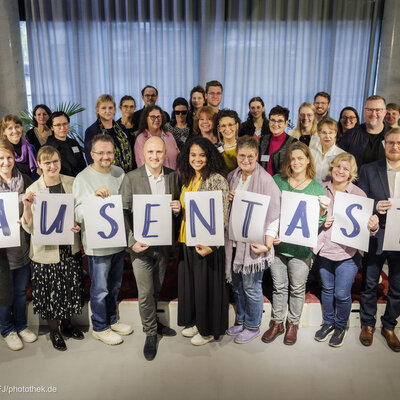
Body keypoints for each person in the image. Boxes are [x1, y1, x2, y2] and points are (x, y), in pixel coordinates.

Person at [120, 136, 180, 360]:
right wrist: (131, 241)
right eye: (150, 152)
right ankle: (151, 333)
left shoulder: (173, 176)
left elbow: (177, 209)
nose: (155, 157)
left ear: (165, 154)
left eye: (159, 152)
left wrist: (177, 209)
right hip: (140, 247)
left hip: (163, 246)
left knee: (156, 288)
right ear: (143, 154)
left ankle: (154, 324)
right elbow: (122, 212)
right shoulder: (131, 178)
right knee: (145, 293)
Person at [261, 142, 327, 345]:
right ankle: (277, 322)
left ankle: (293, 324)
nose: (296, 162)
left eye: (301, 158)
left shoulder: (317, 188)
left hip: (301, 250)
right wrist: (272, 234)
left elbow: (316, 224)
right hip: (279, 247)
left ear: (308, 159)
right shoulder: (277, 181)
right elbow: (269, 212)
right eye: (293, 158)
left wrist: (323, 212)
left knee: (297, 288)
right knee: (279, 287)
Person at [313, 153, 379, 347]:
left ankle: (341, 325)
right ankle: (328, 322)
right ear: (332, 167)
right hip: (324, 249)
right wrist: (322, 221)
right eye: (337, 167)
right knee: (327, 289)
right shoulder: (320, 189)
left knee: (341, 293)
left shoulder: (359, 194)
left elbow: (366, 230)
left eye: (345, 169)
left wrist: (373, 226)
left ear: (352, 173)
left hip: (348, 254)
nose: (340, 171)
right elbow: (309, 222)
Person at [22, 145, 83, 351]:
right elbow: (28, 227)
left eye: (55, 161)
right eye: (47, 162)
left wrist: (78, 224)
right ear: (39, 165)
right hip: (45, 251)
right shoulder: (33, 189)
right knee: (50, 292)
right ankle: (54, 331)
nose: (52, 166)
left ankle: (67, 324)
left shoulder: (72, 183)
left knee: (67, 287)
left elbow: (79, 213)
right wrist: (27, 207)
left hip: (68, 246)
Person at [73, 134, 133, 346]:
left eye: (109, 152)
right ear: (92, 155)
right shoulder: (82, 178)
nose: (106, 156)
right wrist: (93, 200)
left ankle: (111, 319)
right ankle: (99, 327)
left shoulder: (119, 173)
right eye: (101, 153)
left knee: (115, 285)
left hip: (117, 241)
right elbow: (77, 213)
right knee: (100, 289)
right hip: (97, 246)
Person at [225, 136, 281, 343]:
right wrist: (227, 199)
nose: (246, 160)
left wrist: (267, 244)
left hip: (255, 243)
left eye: (250, 156)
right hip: (235, 241)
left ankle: (253, 325)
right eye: (242, 156)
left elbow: (274, 215)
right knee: (238, 285)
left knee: (252, 287)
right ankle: (240, 320)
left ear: (257, 156)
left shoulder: (266, 180)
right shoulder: (232, 176)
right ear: (237, 156)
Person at [177, 136, 229, 346]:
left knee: (205, 287)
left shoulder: (216, 179)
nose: (197, 159)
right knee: (193, 286)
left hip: (207, 245)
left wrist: (212, 246)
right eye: (193, 154)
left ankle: (207, 330)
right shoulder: (189, 177)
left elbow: (223, 214)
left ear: (210, 156)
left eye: (202, 155)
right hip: (186, 240)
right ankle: (198, 322)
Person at [357, 127, 400, 352]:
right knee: (370, 281)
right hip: (377, 233)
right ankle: (367, 323)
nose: (395, 147)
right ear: (384, 145)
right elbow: (362, 200)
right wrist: (375, 207)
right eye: (391, 143)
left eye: (399, 143)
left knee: (397, 285)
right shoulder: (368, 169)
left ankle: (389, 326)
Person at [0, 138, 37, 351]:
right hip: (1, 251)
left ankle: (22, 325)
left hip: (21, 245)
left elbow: (30, 215)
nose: (5, 162)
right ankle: (7, 329)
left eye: (9, 157)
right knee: (4, 291)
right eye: (1, 158)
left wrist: (25, 211)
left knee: (21, 290)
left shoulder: (24, 179)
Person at [84, 94, 134, 172]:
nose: (108, 111)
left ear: (114, 110)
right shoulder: (92, 131)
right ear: (97, 110)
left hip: (127, 175)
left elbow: (131, 152)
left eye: (110, 108)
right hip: (105, 175)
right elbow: (91, 159)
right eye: (104, 108)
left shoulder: (122, 128)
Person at [339, 95, 391, 170]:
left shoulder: (395, 137)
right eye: (369, 110)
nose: (373, 114)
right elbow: (340, 162)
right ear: (364, 111)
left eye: (378, 110)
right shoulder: (350, 135)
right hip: (355, 181)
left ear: (385, 112)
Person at [134, 105, 180, 170]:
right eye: (152, 117)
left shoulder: (169, 136)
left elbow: (178, 159)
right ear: (146, 119)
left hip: (173, 178)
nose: (156, 119)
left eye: (159, 117)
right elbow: (143, 165)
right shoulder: (141, 139)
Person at [259, 105, 297, 176]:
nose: (275, 124)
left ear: (286, 123)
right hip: (262, 184)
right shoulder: (263, 140)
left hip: (283, 185)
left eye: (280, 121)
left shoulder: (293, 143)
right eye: (272, 120)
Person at [45, 111, 86, 177]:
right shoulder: (47, 148)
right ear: (52, 127)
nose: (62, 127)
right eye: (58, 125)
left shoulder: (74, 143)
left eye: (65, 124)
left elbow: (83, 165)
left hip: (79, 182)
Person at [1, 115, 38, 180]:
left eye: (17, 127)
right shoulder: (2, 151)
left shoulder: (31, 148)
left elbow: (36, 171)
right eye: (10, 128)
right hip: (10, 187)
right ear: (4, 132)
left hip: (30, 186)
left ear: (21, 128)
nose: (15, 131)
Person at [310, 118, 345, 184]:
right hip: (311, 191)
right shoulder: (310, 152)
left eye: (330, 133)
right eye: (324, 133)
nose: (327, 136)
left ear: (335, 134)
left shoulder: (342, 155)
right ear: (318, 133)